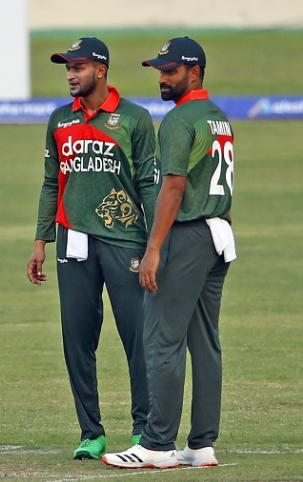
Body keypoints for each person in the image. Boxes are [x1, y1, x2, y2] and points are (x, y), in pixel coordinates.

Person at [102, 36, 236, 469]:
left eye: (171, 71)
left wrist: (154, 248)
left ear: (194, 73)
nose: (162, 78)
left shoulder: (180, 120)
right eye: (160, 71)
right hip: (219, 233)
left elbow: (174, 187)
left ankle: (157, 445)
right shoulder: (217, 117)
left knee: (161, 339)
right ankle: (201, 445)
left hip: (188, 235)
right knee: (205, 341)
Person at [27, 37, 158, 460]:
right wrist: (40, 241)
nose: (70, 74)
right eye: (67, 67)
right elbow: (52, 181)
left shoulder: (135, 119)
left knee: (137, 336)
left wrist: (158, 243)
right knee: (77, 339)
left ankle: (144, 430)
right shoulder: (59, 120)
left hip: (125, 240)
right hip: (73, 239)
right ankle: (91, 433)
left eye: (78, 66)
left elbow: (149, 185)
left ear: (100, 71)